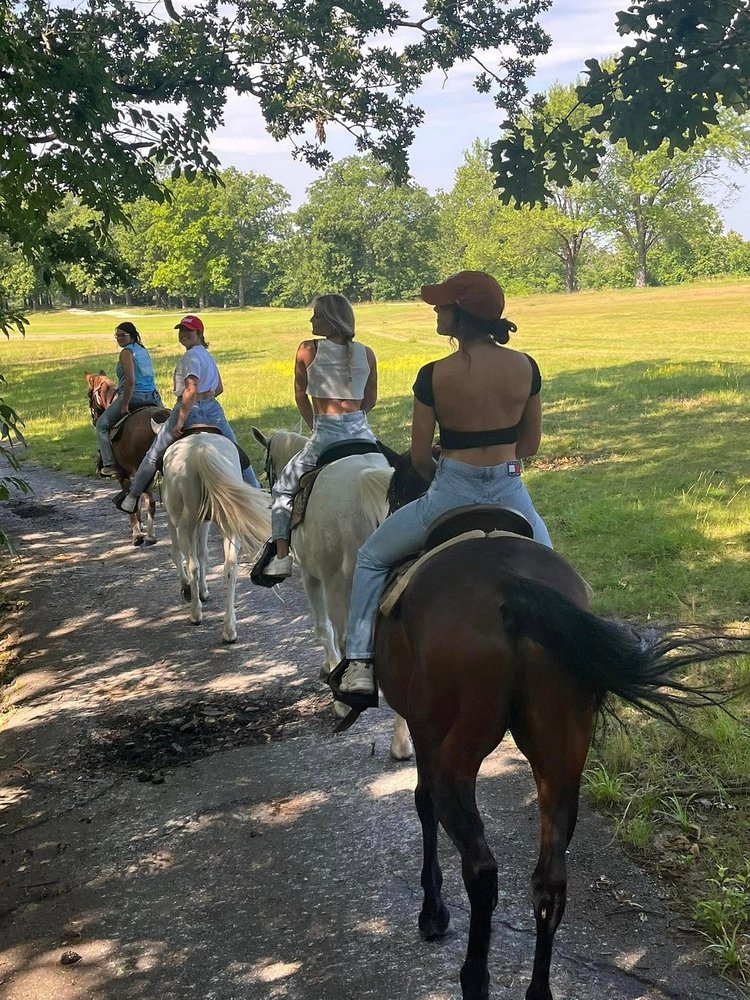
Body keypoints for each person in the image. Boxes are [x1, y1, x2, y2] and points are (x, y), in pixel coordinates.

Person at [336, 271, 552, 700]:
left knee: (371, 558)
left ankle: (359, 663)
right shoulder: (526, 367)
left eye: (442, 306)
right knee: (553, 568)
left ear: (462, 315)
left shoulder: (433, 374)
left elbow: (418, 458)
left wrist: (448, 478)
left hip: (450, 493)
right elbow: (528, 444)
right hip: (512, 492)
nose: (435, 310)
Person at [264, 293, 378, 578]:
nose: (311, 319)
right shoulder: (367, 353)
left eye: (316, 315)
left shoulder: (307, 349)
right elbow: (370, 401)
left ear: (330, 320)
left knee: (282, 488)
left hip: (326, 433)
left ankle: (281, 556)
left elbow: (300, 394)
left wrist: (314, 424)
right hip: (362, 433)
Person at [114, 314, 260, 513]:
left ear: (199, 333)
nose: (183, 334)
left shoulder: (190, 357)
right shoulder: (206, 355)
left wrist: (179, 422)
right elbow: (219, 388)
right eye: (181, 331)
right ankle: (257, 492)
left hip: (190, 409)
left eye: (188, 331)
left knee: (152, 454)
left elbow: (190, 389)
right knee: (236, 450)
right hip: (213, 409)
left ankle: (132, 498)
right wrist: (206, 395)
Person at [96, 322, 163, 476]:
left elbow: (130, 380)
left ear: (131, 335)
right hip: (153, 396)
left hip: (135, 396)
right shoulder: (142, 350)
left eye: (122, 335)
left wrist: (125, 403)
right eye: (117, 335)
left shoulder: (126, 353)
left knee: (101, 425)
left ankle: (109, 463)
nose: (119, 338)